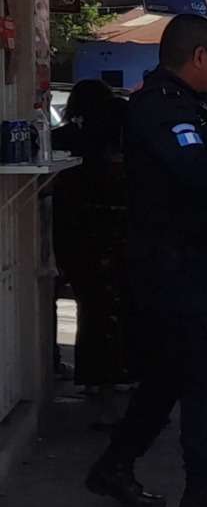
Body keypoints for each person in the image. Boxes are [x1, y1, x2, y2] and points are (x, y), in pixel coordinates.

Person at [85, 13, 207, 507]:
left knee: (168, 376)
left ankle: (115, 465)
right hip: (176, 263)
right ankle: (204, 493)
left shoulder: (187, 105)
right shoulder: (163, 107)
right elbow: (193, 171)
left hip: (191, 258)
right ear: (199, 56)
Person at [54, 84, 132, 393]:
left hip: (80, 233)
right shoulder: (120, 131)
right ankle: (116, 373)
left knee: (91, 307)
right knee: (116, 306)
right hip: (116, 231)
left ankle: (95, 376)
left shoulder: (72, 140)